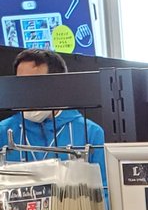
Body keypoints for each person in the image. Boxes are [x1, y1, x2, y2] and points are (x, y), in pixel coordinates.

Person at [0, 50, 107, 188]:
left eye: (35, 85)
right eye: (20, 84)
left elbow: (105, 191)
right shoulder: (3, 131)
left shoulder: (91, 133)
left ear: (58, 86)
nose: (26, 92)